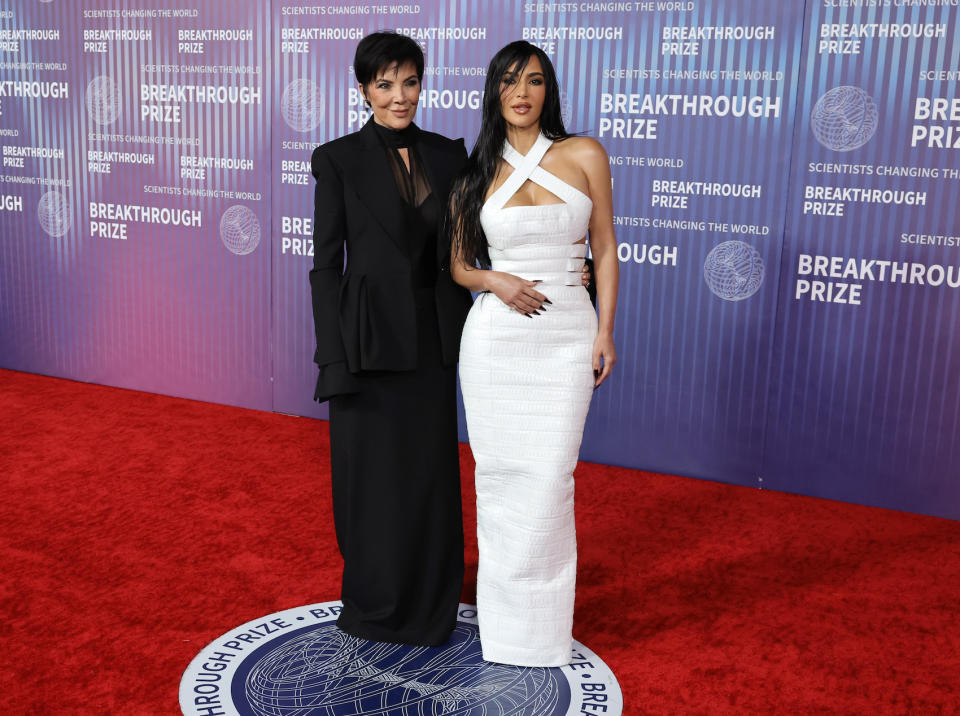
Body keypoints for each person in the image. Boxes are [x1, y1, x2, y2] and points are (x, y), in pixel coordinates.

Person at [448, 41, 619, 667]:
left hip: (567, 333)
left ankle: (542, 632)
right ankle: (506, 632)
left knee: (550, 477)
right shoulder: (475, 170)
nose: (523, 93)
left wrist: (604, 331)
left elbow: (604, 247)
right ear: (495, 92)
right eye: (510, 81)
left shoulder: (584, 154)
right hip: (496, 339)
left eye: (535, 81)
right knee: (498, 480)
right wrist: (497, 281)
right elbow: (461, 266)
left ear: (549, 91)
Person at [308, 31, 474, 646]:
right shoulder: (338, 159)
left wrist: (571, 263)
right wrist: (332, 357)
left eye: (409, 82)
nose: (399, 96)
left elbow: (474, 243)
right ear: (364, 90)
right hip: (366, 342)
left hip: (433, 339)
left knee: (428, 472)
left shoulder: (449, 154)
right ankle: (377, 599)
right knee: (371, 477)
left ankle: (433, 599)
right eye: (385, 84)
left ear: (421, 84)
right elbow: (326, 264)